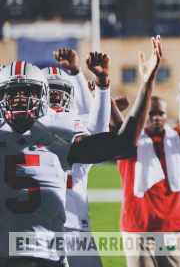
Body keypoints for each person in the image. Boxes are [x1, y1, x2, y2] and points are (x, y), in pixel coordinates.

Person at [0, 36, 162, 267]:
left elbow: (121, 141)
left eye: (27, 92)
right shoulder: (55, 133)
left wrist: (146, 82)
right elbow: (123, 141)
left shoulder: (58, 132)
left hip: (51, 249)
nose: (19, 99)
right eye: (12, 92)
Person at [116, 45, 180, 267]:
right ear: (143, 116)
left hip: (172, 227)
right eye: (151, 114)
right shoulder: (131, 142)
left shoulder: (179, 137)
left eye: (161, 113)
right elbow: (115, 129)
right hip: (137, 227)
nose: (157, 118)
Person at [42, 50, 112, 267]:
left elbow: (98, 131)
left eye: (60, 91)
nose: (55, 96)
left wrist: (99, 83)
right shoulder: (22, 129)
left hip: (75, 228)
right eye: (50, 91)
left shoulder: (72, 126)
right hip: (38, 228)